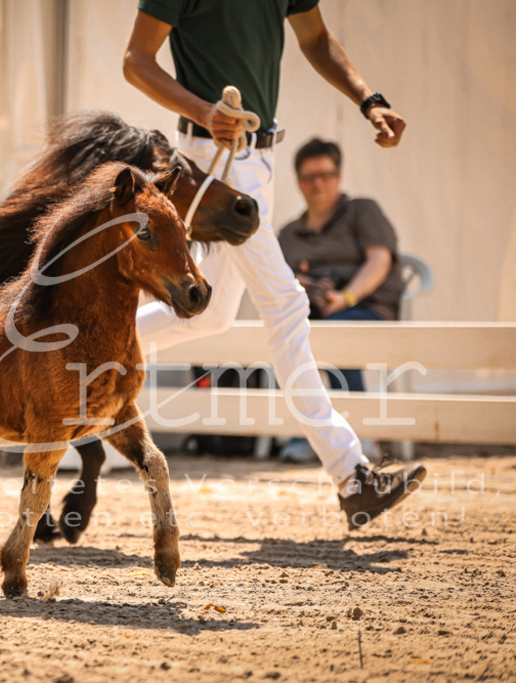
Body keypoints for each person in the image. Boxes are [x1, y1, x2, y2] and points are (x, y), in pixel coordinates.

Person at [123, 0, 425, 529]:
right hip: (214, 162)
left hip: (257, 159)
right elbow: (136, 61)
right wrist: (203, 112)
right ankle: (352, 474)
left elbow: (316, 40)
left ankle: (82, 348)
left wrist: (367, 99)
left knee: (211, 315)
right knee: (286, 305)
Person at [277, 137, 405, 462]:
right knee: (289, 338)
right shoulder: (289, 233)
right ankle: (305, 435)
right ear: (298, 182)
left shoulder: (362, 210)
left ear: (339, 175)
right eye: (309, 177)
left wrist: (345, 296)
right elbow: (278, 279)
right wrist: (302, 284)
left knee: (336, 331)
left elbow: (380, 260)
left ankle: (358, 435)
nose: (317, 183)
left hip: (367, 309)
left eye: (325, 174)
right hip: (314, 315)